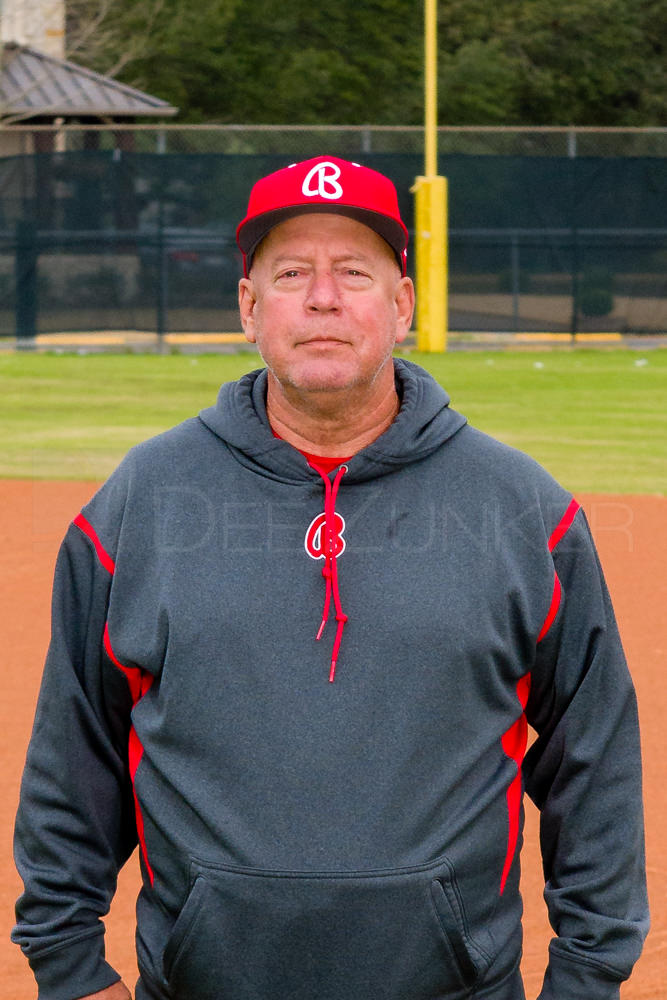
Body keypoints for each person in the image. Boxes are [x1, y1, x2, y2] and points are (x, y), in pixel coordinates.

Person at [13, 155, 648, 1000]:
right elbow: (76, 746)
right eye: (289, 274)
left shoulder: (521, 509)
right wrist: (68, 964)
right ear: (248, 305)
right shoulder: (143, 499)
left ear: (403, 303)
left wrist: (587, 975)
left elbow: (592, 757)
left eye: (354, 272)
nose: (322, 299)